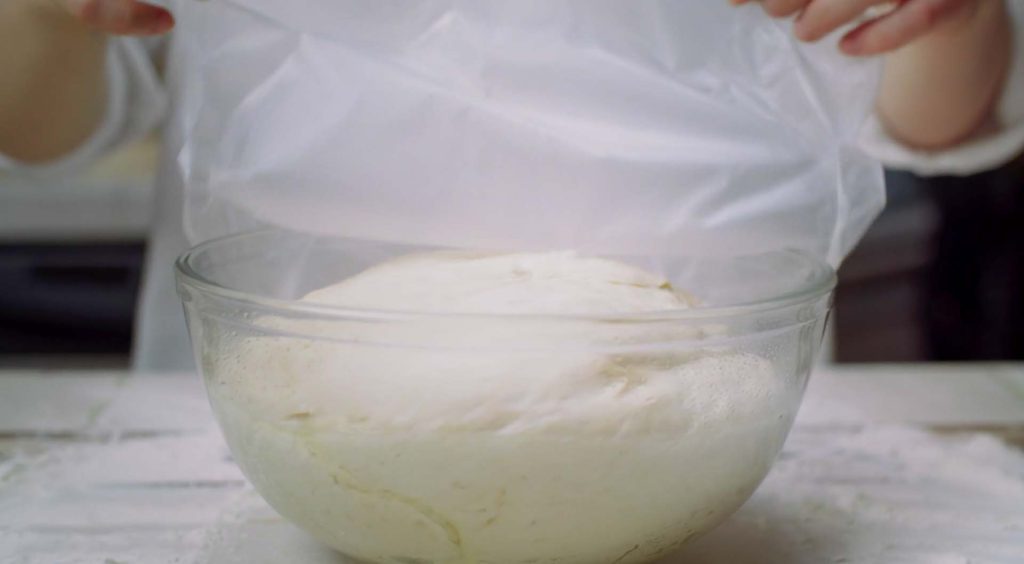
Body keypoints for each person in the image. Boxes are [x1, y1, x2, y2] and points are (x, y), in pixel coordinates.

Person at [0, 0, 1021, 370]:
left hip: (702, 391)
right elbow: (49, 128)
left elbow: (933, 113)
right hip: (265, 410)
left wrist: (950, 15)